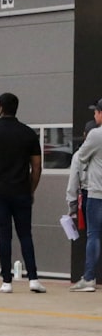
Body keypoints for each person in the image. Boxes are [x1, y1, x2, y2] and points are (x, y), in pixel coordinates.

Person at [0, 92, 45, 293]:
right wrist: (31, 189)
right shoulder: (28, 133)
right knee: (25, 234)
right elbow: (37, 167)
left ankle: (7, 282)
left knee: (4, 236)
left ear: (0, 107)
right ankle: (33, 279)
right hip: (21, 190)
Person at [65, 98, 102, 292]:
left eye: (97, 112)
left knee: (94, 235)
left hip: (97, 193)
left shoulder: (96, 135)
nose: (95, 115)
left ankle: (89, 278)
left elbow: (81, 156)